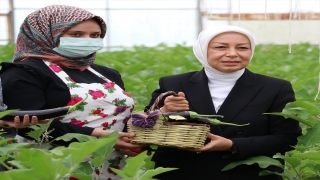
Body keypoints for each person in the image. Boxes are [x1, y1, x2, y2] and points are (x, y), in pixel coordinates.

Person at [0, 4, 142, 179]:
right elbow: (30, 126)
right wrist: (103, 138)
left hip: (109, 164)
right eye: (76, 34)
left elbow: (120, 117)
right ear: (46, 34)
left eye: (95, 35)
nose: (87, 40)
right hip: (54, 165)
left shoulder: (107, 73)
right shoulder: (24, 72)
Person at [146, 25, 302, 180]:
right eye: (220, 47)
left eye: (242, 48)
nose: (232, 54)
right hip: (183, 173)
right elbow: (141, 128)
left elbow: (287, 138)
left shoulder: (275, 88)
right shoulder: (173, 84)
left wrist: (232, 144)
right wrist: (163, 111)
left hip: (248, 174)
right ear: (202, 50)